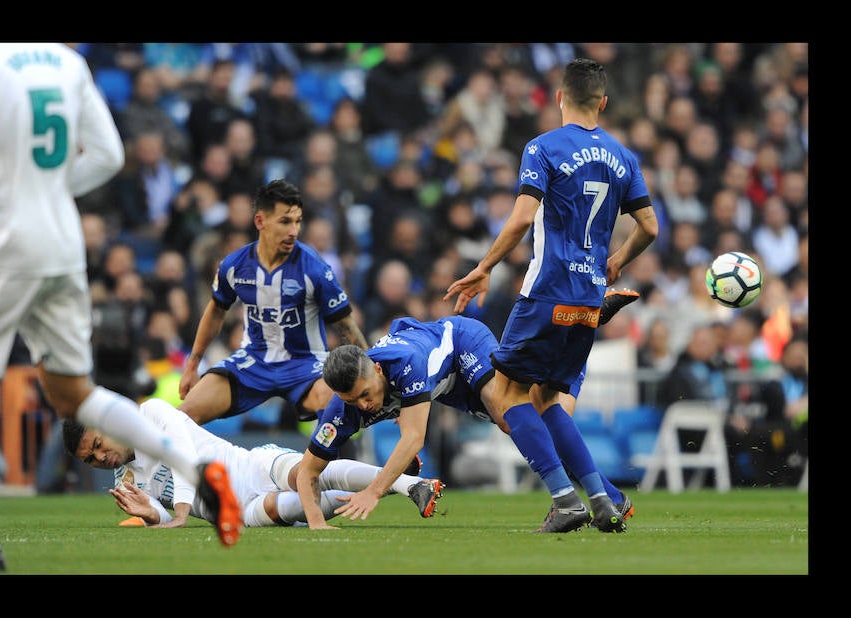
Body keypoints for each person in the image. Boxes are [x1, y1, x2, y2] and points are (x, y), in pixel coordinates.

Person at [0, 43, 242, 564]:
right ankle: (197, 472)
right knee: (76, 394)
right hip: (63, 244)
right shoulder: (69, 62)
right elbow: (108, 155)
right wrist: (55, 193)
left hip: (9, 239)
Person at [443, 58, 659, 533]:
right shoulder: (625, 158)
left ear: (559, 97)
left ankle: (565, 499)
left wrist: (483, 267)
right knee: (548, 397)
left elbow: (521, 218)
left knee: (506, 393)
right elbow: (649, 227)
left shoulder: (543, 147)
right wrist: (618, 258)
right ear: (602, 103)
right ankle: (603, 500)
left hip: (546, 292)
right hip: (587, 299)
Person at [295, 296, 636, 531]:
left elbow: (413, 439)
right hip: (449, 385)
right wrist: (315, 522)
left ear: (379, 372)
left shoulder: (406, 364)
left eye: (366, 395)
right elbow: (308, 470)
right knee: (533, 414)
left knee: (510, 413)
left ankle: (570, 339)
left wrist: (372, 491)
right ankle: (612, 499)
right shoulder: (343, 408)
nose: (364, 406)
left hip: (462, 342)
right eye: (353, 401)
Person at [62, 398, 437, 528]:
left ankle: (408, 484)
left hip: (249, 466)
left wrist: (176, 514)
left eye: (96, 444)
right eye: (90, 459)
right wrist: (150, 514)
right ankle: (396, 483)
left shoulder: (152, 414)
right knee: (284, 508)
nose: (100, 457)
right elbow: (164, 520)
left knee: (303, 477)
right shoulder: (126, 477)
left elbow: (185, 459)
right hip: (239, 511)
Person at [178, 178, 370, 427]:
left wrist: (370, 380)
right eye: (285, 221)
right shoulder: (234, 266)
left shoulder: (315, 269)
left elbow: (346, 327)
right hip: (253, 360)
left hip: (307, 364)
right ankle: (126, 460)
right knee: (180, 417)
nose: (294, 231)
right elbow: (216, 311)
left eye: (298, 222)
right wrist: (192, 366)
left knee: (340, 412)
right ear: (260, 221)